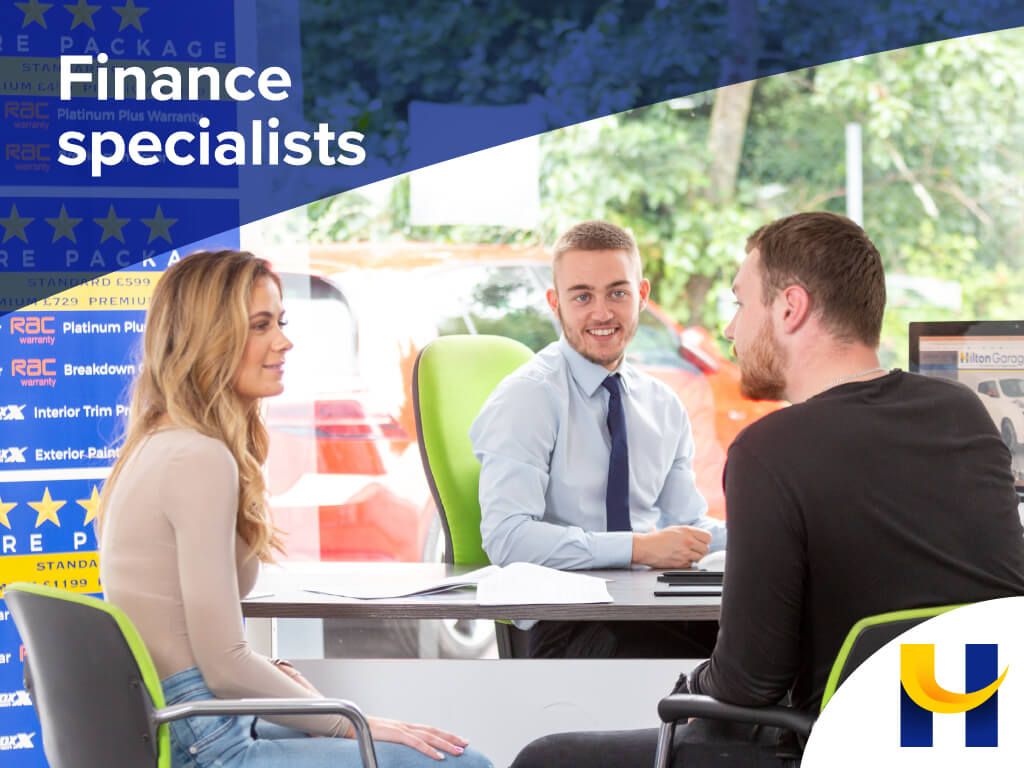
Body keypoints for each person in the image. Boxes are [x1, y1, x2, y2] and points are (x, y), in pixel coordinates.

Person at [511, 211, 1024, 766]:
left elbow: (747, 683)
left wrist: (692, 684)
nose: (730, 329)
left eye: (740, 303)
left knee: (547, 758)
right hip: (970, 740)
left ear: (789, 308)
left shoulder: (769, 450)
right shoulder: (963, 413)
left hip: (829, 747)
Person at [98, 251, 492, 768]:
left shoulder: (158, 443)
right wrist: (354, 722)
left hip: (189, 719)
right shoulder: (197, 457)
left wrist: (286, 685)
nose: (284, 342)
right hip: (208, 736)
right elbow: (223, 666)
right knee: (464, 764)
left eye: (280, 322)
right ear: (207, 338)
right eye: (260, 325)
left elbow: (202, 645)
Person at [469, 221, 725, 658]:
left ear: (641, 295)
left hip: (650, 607)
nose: (602, 313)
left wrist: (767, 540)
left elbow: (688, 524)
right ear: (555, 303)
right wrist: (637, 548)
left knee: (767, 644)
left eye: (617, 293)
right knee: (720, 666)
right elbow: (507, 538)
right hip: (566, 620)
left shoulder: (662, 404)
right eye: (583, 296)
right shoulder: (529, 398)